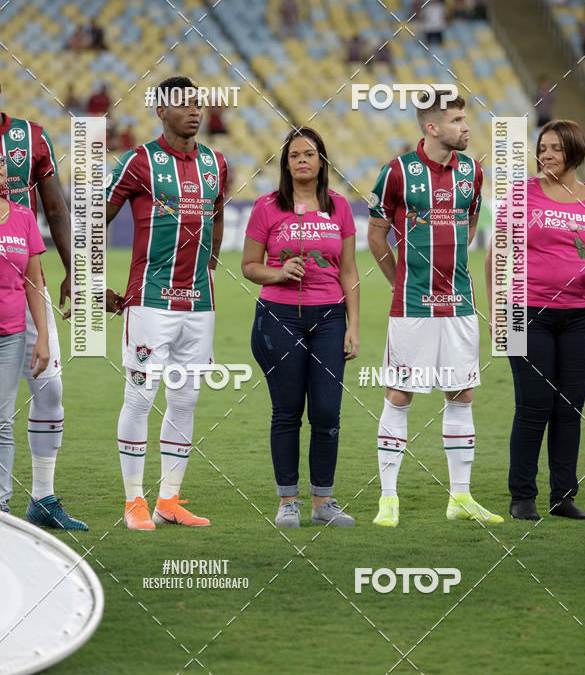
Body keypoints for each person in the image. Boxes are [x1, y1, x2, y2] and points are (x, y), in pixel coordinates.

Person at [368, 89, 503, 527]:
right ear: (432, 127)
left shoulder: (473, 172)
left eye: (466, 119)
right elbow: (376, 236)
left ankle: (460, 498)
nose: (466, 127)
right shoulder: (396, 173)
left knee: (462, 394)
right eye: (458, 120)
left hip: (460, 305)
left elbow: (465, 229)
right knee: (400, 393)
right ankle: (388, 498)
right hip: (411, 306)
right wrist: (400, 283)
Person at [105, 75, 227, 530]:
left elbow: (214, 224)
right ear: (161, 110)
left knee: (186, 400)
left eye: (199, 103)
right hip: (150, 303)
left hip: (199, 305)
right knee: (139, 397)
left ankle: (169, 501)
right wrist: (95, 282)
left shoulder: (217, 163)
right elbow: (99, 217)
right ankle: (134, 501)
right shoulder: (139, 162)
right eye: (184, 104)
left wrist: (208, 267)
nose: (195, 111)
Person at [242, 127, 359, 528]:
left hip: (329, 318)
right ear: (286, 164)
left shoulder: (340, 207)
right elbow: (248, 266)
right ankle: (287, 501)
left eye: (310, 154)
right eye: (295, 155)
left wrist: (353, 326)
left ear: (322, 161)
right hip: (279, 317)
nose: (303, 160)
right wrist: (277, 273)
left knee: (327, 411)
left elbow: (349, 271)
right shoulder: (267, 207)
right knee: (287, 411)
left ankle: (323, 502)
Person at [485, 120, 585, 520]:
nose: (546, 155)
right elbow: (496, 255)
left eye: (555, 148)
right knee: (534, 404)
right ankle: (522, 497)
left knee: (569, 407)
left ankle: (563, 497)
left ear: (574, 152)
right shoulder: (521, 195)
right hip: (525, 311)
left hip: (584, 316)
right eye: (542, 148)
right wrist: (497, 310)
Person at [0, 91, 87, 529]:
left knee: (49, 389)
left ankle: (42, 496)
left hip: (24, 283)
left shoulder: (30, 137)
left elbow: (55, 207)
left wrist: (74, 270)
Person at [0, 153, 50, 514]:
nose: (3, 170)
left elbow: (34, 281)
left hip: (11, 337)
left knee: (2, 420)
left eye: (3, 164)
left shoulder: (22, 216)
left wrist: (43, 336)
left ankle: (0, 505)